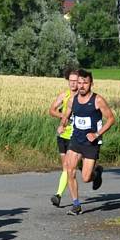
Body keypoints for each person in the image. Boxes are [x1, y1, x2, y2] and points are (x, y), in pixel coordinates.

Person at [58, 69, 115, 216]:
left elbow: (111, 119)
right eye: (80, 83)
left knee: (85, 178)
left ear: (91, 84)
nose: (82, 86)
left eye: (85, 83)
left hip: (91, 143)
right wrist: (62, 125)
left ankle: (97, 173)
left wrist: (96, 134)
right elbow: (66, 115)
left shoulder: (97, 100)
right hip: (76, 140)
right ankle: (76, 205)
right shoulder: (72, 99)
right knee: (69, 170)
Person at [48, 68, 79, 207]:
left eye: (75, 81)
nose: (73, 84)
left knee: (71, 166)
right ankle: (59, 195)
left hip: (76, 135)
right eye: (70, 81)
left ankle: (58, 195)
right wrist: (63, 116)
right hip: (63, 134)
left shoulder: (83, 97)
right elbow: (51, 110)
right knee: (66, 167)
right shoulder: (64, 95)